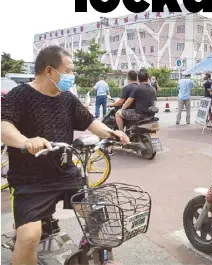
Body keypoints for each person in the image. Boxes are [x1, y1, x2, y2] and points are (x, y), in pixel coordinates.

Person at [1, 45, 129, 265]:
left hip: (65, 173)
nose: (72, 76)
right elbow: (4, 127)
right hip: (29, 181)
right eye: (68, 70)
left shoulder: (67, 98)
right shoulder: (20, 94)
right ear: (49, 71)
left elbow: (90, 122)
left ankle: (100, 256)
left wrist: (112, 133)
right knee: (29, 236)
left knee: (97, 214)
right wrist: (25, 141)